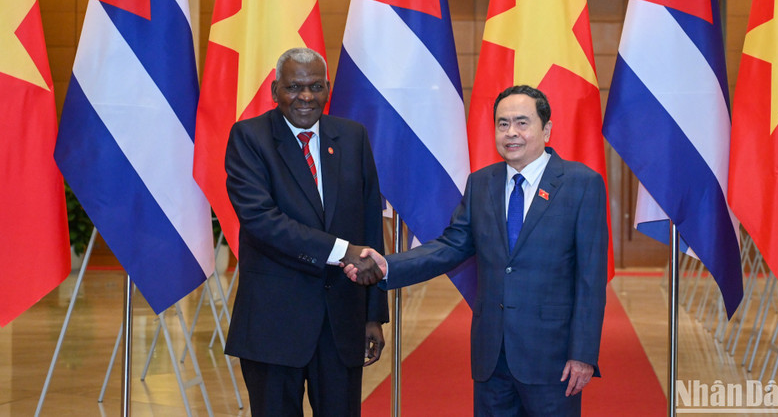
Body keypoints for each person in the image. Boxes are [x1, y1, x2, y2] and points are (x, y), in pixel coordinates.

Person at [345, 85, 607, 416]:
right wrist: (387, 266)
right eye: (502, 123)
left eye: (522, 122)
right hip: (490, 356)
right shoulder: (482, 183)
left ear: (547, 129)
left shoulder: (582, 184)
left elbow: (590, 279)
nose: (511, 132)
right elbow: (451, 245)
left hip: (552, 357)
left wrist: (583, 352)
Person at [224, 47, 388, 417]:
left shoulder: (353, 137)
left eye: (316, 86)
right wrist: (341, 250)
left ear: (328, 88)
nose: (306, 96)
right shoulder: (249, 138)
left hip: (342, 323)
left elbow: (369, 227)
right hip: (273, 324)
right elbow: (262, 221)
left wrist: (372, 314)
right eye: (294, 87)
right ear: (274, 90)